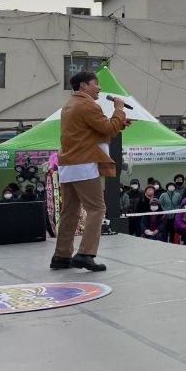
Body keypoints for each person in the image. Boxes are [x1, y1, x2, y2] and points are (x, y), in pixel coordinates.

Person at [52, 71, 128, 271]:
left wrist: (118, 121)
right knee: (96, 208)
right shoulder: (87, 104)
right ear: (84, 85)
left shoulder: (69, 104)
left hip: (68, 163)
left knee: (70, 211)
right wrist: (119, 110)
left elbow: (95, 130)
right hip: (84, 164)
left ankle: (61, 255)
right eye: (97, 84)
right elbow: (108, 130)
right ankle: (85, 253)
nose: (100, 88)